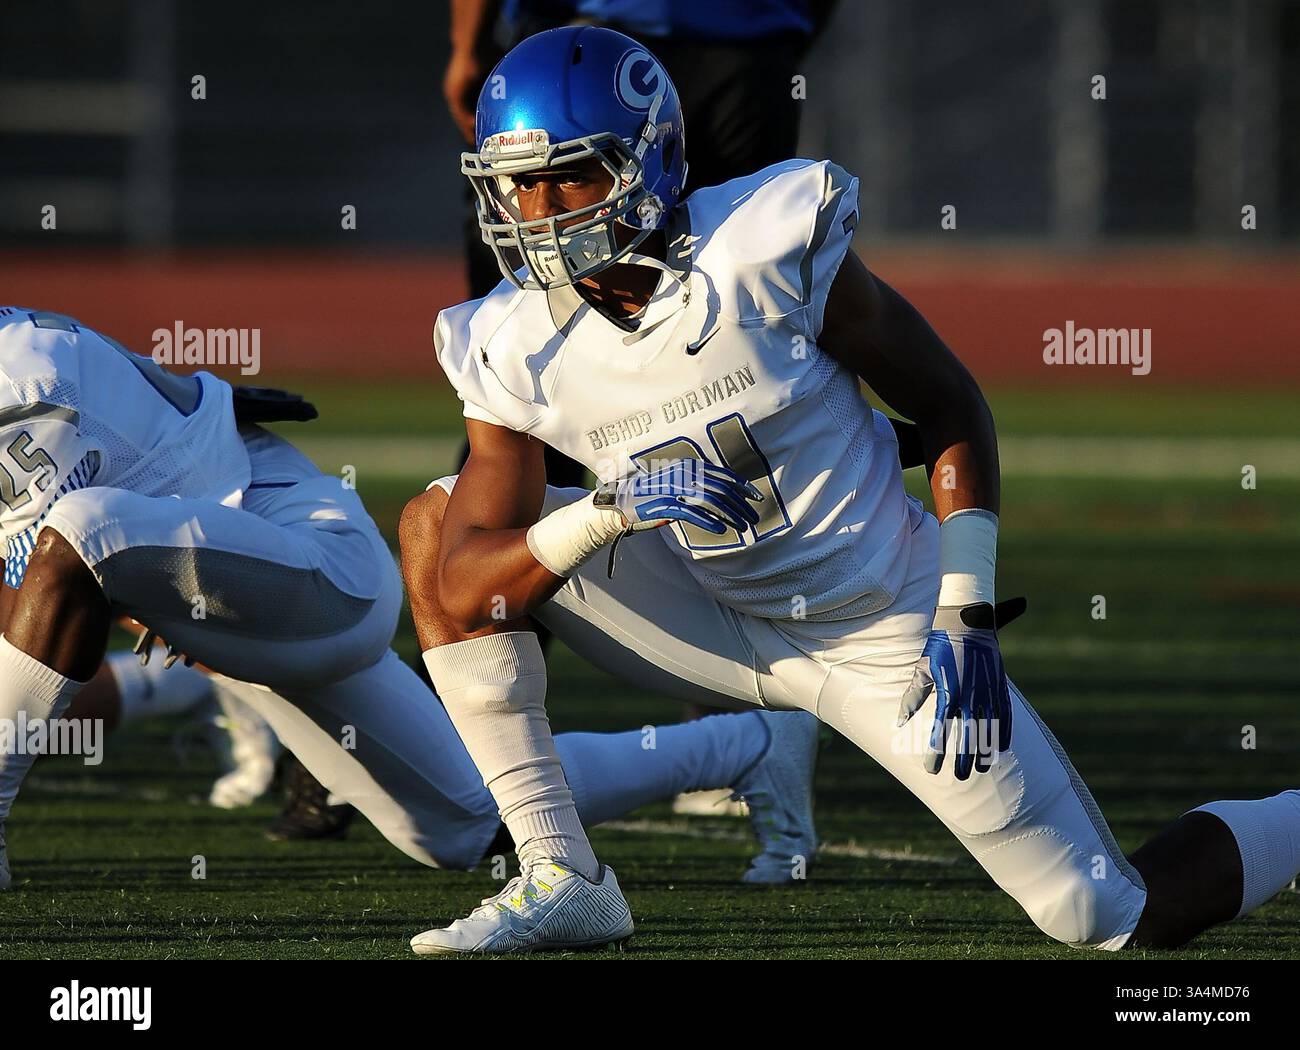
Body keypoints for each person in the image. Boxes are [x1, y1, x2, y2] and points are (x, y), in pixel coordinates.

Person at [400, 25, 1300, 954]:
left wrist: (967, 610)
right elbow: (469, 586)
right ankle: (562, 875)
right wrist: (607, 510)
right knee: (433, 524)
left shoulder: (758, 248)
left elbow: (949, 405)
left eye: (569, 176)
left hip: (883, 624)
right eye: (516, 183)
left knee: (1102, 915)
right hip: (708, 612)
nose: (537, 211)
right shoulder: (510, 342)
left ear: (648, 161)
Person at [0, 306, 819, 893]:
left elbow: (64, 570)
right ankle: (746, 746)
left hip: (317, 571)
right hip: (231, 599)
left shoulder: (28, 377)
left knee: (77, 528)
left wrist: (145, 591)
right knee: (461, 825)